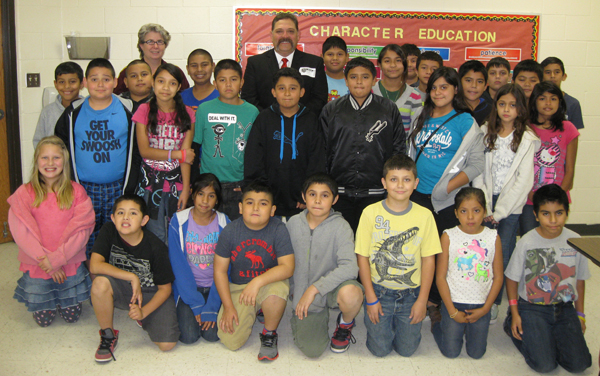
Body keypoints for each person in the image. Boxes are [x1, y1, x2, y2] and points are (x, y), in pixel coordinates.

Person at [408, 67, 484, 315]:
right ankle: (418, 293)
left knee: (443, 253)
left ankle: (436, 299)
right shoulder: (421, 114)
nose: (438, 92)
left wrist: (447, 188)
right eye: (434, 87)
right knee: (418, 249)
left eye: (444, 87)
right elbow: (410, 151)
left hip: (447, 200)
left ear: (454, 90)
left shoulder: (465, 120)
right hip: (417, 196)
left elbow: (476, 164)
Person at [356, 154, 441, 357]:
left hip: (412, 293)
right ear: (384, 183)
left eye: (407, 179)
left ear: (415, 183)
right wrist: (370, 297)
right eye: (394, 179)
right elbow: (363, 257)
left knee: (407, 350)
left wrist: (422, 300)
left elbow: (429, 259)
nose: (400, 185)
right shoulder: (370, 213)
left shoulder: (425, 215)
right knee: (379, 350)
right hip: (379, 291)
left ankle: (400, 324)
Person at [55, 58, 140, 257]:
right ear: (85, 82)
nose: (100, 84)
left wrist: (132, 183)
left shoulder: (130, 110)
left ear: (115, 81)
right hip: (84, 187)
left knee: (117, 233)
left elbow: (137, 150)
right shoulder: (73, 113)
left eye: (106, 79)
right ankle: (87, 275)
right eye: (94, 79)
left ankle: (112, 276)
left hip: (118, 186)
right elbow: (61, 146)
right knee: (84, 234)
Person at [504, 184, 592, 373]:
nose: (553, 220)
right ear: (536, 215)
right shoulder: (526, 242)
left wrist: (580, 315)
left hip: (565, 307)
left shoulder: (576, 241)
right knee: (545, 365)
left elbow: (580, 281)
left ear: (567, 212)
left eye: (559, 213)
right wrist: (515, 311)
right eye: (545, 214)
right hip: (532, 308)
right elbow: (511, 279)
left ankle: (547, 337)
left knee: (580, 365)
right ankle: (513, 322)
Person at [9, 136, 94, 327]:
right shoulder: (24, 193)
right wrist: (46, 261)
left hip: (68, 261)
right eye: (44, 158)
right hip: (39, 263)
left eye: (55, 158)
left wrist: (58, 259)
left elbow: (83, 229)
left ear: (64, 161)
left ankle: (64, 297)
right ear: (36, 160)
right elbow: (20, 232)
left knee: (72, 317)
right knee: (44, 321)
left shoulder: (77, 191)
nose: (50, 163)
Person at [473, 84, 540, 322]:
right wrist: (485, 208)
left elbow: (524, 181)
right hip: (485, 201)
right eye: (502, 104)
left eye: (512, 105)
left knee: (504, 253)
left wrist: (499, 212)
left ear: (521, 108)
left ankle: (495, 302)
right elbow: (479, 171)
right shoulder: (485, 132)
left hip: (510, 206)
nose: (506, 110)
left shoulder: (528, 138)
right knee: (483, 253)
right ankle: (480, 296)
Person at [90, 194, 179, 362]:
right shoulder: (109, 230)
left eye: (133, 213)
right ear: (113, 218)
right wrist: (132, 277)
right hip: (123, 288)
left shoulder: (156, 247)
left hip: (150, 292)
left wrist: (144, 312)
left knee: (167, 344)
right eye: (120, 213)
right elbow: (94, 265)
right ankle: (108, 334)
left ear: (144, 220)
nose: (126, 217)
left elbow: (165, 289)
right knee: (99, 283)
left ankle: (142, 317)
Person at [321, 57, 406, 233]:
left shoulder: (388, 109)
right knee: (343, 246)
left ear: (375, 80)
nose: (359, 82)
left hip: (376, 192)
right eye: (353, 77)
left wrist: (391, 185)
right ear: (345, 80)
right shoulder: (332, 110)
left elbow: (398, 150)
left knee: (374, 246)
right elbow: (322, 151)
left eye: (365, 77)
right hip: (339, 193)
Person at [213, 181, 295, 361]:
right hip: (238, 287)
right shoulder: (230, 231)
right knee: (230, 341)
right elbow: (219, 271)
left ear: (273, 210)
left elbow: (288, 268)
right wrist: (228, 307)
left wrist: (257, 282)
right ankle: (257, 309)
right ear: (241, 207)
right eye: (250, 202)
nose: (256, 208)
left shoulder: (278, 229)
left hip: (268, 283)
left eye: (263, 203)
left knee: (277, 292)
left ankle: (269, 333)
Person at [287, 173, 363, 357]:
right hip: (303, 294)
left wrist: (314, 288)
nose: (318, 201)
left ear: (335, 199)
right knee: (313, 351)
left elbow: (350, 268)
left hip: (329, 288)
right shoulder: (292, 223)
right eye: (312, 194)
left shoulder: (341, 226)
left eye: (325, 195)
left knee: (352, 294)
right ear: (304, 197)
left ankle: (345, 322)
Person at [244, 68, 325, 219]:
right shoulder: (264, 119)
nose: (287, 93)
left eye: (293, 88)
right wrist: (262, 195)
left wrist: (309, 193)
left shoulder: (311, 120)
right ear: (274, 92)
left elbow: (317, 161)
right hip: (268, 201)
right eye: (282, 88)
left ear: (302, 92)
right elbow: (254, 159)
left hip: (302, 201)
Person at [432, 187, 503, 359]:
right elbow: (440, 277)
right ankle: (437, 324)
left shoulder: (493, 237)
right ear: (456, 213)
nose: (470, 217)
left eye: (476, 211)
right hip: (454, 303)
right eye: (464, 211)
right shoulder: (448, 236)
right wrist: (451, 310)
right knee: (451, 352)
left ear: (484, 212)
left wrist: (486, 308)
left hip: (481, 305)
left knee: (477, 353)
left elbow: (498, 277)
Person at [133, 63, 195, 243]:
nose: (166, 88)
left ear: (179, 87)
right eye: (161, 81)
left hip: (176, 184)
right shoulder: (144, 110)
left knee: (177, 235)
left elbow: (187, 157)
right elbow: (145, 151)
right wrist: (177, 155)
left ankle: (174, 270)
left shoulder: (188, 114)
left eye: (172, 83)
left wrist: (185, 189)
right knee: (155, 234)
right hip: (150, 184)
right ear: (153, 83)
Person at [194, 59, 259, 221]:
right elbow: (195, 146)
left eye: (234, 79)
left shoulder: (252, 111)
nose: (228, 84)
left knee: (236, 235)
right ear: (215, 83)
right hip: (210, 186)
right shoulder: (204, 109)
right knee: (211, 233)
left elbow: (256, 151)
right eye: (222, 80)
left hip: (239, 185)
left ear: (242, 82)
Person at [168, 173, 230, 344]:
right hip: (189, 288)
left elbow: (226, 269)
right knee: (188, 336)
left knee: (212, 335)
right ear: (192, 194)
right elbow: (178, 266)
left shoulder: (224, 223)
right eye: (201, 194)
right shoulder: (178, 222)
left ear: (217, 200)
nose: (205, 201)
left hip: (216, 287)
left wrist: (212, 306)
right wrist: (195, 303)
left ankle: (210, 307)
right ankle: (191, 306)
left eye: (211, 196)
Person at [519, 81, 579, 235]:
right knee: (531, 241)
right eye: (542, 98)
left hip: (557, 200)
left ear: (560, 102)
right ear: (534, 101)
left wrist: (556, 198)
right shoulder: (525, 127)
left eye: (553, 98)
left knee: (553, 243)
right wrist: (533, 196)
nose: (548, 103)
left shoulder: (568, 128)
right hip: (529, 200)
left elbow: (570, 170)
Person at [241, 12, 328, 115]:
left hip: (304, 125)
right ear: (271, 35)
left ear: (298, 34)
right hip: (266, 126)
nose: (285, 36)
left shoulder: (314, 63)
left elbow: (320, 99)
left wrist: (298, 117)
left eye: (290, 31)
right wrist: (271, 118)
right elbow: (249, 99)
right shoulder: (255, 63)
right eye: (279, 31)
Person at [114, 23, 189, 95]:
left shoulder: (175, 72)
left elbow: (186, 97)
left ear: (165, 45)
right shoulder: (128, 72)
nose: (155, 46)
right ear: (141, 46)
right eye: (150, 42)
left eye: (160, 42)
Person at [372, 44, 423, 133]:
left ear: (404, 64)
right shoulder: (370, 92)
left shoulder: (414, 96)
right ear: (379, 65)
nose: (393, 65)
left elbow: (416, 131)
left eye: (398, 60)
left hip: (403, 147)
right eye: (387, 61)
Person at [33, 62, 84, 148]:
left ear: (82, 84)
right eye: (61, 82)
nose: (67, 86)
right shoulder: (48, 112)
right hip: (55, 161)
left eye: (72, 81)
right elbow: (39, 143)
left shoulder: (88, 109)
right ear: (55, 84)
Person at [541, 56, 584, 129]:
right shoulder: (534, 100)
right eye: (548, 72)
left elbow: (573, 135)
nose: (552, 76)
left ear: (564, 76)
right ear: (541, 76)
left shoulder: (573, 103)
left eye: (557, 72)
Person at [458, 60, 493, 126]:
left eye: (479, 82)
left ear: (485, 86)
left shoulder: (491, 111)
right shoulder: (451, 108)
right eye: (468, 80)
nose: (474, 85)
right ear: (459, 82)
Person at [321, 36, 349, 102]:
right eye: (330, 54)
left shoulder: (353, 81)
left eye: (339, 54)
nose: (335, 58)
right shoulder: (317, 81)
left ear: (347, 57)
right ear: (322, 57)